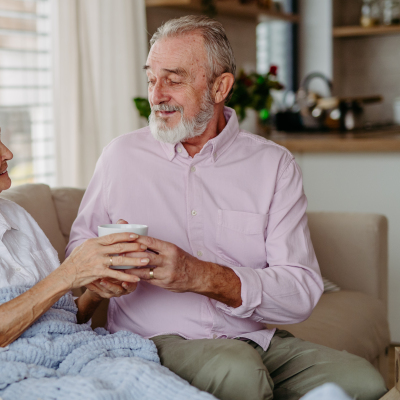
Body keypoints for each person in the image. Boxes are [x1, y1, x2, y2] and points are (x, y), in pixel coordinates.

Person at [67, 15, 387, 400]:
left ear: (220, 86)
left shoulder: (273, 165)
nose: (157, 95)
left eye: (174, 78)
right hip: (157, 342)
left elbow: (301, 290)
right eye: (152, 78)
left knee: (363, 383)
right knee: (239, 372)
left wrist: (201, 275)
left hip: (256, 340)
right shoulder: (120, 157)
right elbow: (78, 256)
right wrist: (103, 270)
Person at [0, 97, 214, 400]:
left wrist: (96, 292)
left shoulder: (13, 216)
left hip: (63, 351)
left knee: (155, 383)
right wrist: (69, 273)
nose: (8, 153)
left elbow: (60, 319)